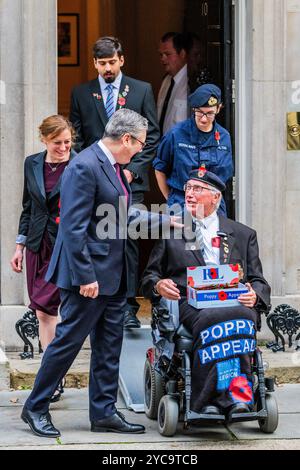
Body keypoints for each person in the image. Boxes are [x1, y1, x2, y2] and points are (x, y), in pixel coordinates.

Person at [21, 109, 176, 438]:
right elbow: (73, 229)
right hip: (88, 278)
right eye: (140, 144)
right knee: (67, 344)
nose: (140, 150)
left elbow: (121, 216)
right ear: (126, 139)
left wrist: (168, 221)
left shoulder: (112, 166)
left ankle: (104, 412)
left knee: (109, 346)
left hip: (113, 275)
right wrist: (85, 277)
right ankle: (35, 406)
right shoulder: (84, 165)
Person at [141, 168, 271, 417]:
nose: (189, 194)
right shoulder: (172, 231)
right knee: (223, 319)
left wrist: (255, 294)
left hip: (236, 301)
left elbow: (259, 281)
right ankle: (231, 396)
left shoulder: (243, 234)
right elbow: (149, 277)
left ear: (216, 197)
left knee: (238, 316)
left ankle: (214, 399)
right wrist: (159, 285)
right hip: (191, 305)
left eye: (197, 189)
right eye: (188, 188)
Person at [70, 36, 160, 329]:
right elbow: (79, 137)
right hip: (93, 179)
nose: (107, 68)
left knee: (127, 240)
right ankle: (97, 298)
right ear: (94, 63)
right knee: (96, 236)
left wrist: (132, 169)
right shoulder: (81, 93)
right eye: (102, 63)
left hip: (129, 182)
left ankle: (127, 306)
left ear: (121, 60)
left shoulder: (142, 90)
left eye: (112, 62)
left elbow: (152, 136)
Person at [11, 115, 76, 402]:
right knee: (42, 313)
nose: (63, 148)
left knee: (49, 310)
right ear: (44, 140)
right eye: (57, 143)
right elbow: (29, 207)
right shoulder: (32, 163)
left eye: (67, 142)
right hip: (38, 244)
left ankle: (52, 376)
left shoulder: (80, 164)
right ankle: (52, 376)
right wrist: (19, 246)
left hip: (66, 246)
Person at [153, 83, 233, 215]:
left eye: (210, 113)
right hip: (181, 204)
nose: (204, 118)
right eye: (199, 112)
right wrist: (171, 199)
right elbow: (159, 168)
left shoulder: (224, 137)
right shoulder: (176, 134)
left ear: (218, 109)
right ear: (194, 109)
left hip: (214, 208)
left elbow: (226, 175)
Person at [157, 32, 189, 135]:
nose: (163, 59)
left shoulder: (190, 83)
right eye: (161, 55)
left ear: (182, 54)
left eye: (167, 54)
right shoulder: (166, 81)